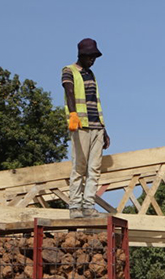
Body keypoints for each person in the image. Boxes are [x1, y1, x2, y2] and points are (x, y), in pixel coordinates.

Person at [62, 38, 110, 219]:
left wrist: (104, 130)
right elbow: (69, 91)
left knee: (94, 168)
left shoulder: (91, 74)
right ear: (81, 55)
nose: (92, 60)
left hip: (96, 126)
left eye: (94, 57)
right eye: (90, 57)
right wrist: (73, 114)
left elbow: (96, 103)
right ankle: (75, 206)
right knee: (79, 166)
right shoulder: (69, 71)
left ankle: (88, 205)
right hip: (80, 125)